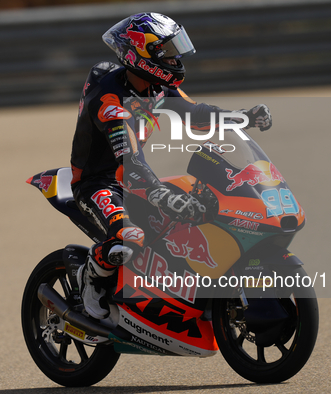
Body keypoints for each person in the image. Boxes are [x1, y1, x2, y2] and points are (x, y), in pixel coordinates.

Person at [71, 12, 272, 319]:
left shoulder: (154, 86)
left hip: (137, 177)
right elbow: (129, 161)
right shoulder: (111, 101)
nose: (175, 58)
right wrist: (161, 195)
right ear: (141, 54)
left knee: (199, 205)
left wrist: (243, 117)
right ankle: (92, 278)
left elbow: (196, 113)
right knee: (130, 239)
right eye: (166, 51)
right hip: (99, 182)